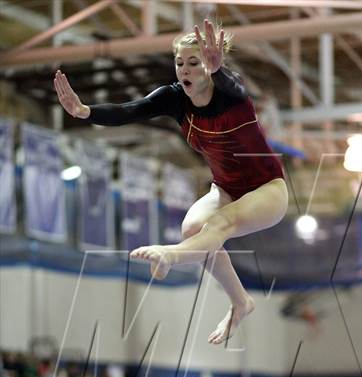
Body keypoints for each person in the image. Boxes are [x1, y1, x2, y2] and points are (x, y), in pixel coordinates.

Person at [54, 19, 288, 345]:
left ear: (209, 66)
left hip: (267, 189)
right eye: (180, 63)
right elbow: (130, 110)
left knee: (220, 223)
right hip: (225, 188)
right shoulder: (175, 98)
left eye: (195, 63)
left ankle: (172, 255)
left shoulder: (232, 98)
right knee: (193, 229)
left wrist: (218, 69)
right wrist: (84, 111)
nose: (184, 71)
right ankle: (240, 301)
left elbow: (233, 85)